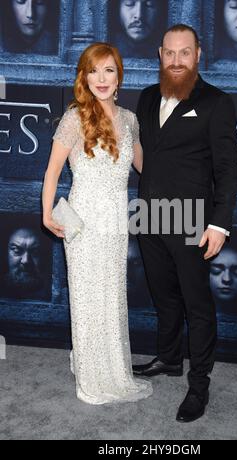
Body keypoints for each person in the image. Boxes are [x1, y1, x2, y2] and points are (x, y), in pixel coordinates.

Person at [133, 24, 237, 422]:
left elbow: (228, 170)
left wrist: (219, 224)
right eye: (170, 53)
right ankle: (168, 358)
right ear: (160, 55)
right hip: (149, 214)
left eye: (185, 53)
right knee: (163, 295)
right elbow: (144, 153)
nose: (176, 61)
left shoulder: (216, 102)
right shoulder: (145, 98)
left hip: (193, 218)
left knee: (197, 305)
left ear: (198, 56)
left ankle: (199, 385)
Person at [42, 42, 152, 405]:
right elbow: (52, 172)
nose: (101, 79)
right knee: (87, 297)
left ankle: (112, 367)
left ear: (119, 75)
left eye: (109, 70)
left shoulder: (131, 120)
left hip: (116, 223)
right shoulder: (75, 117)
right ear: (83, 76)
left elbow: (145, 169)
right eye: (93, 71)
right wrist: (46, 213)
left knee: (111, 297)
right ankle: (91, 373)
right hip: (84, 222)